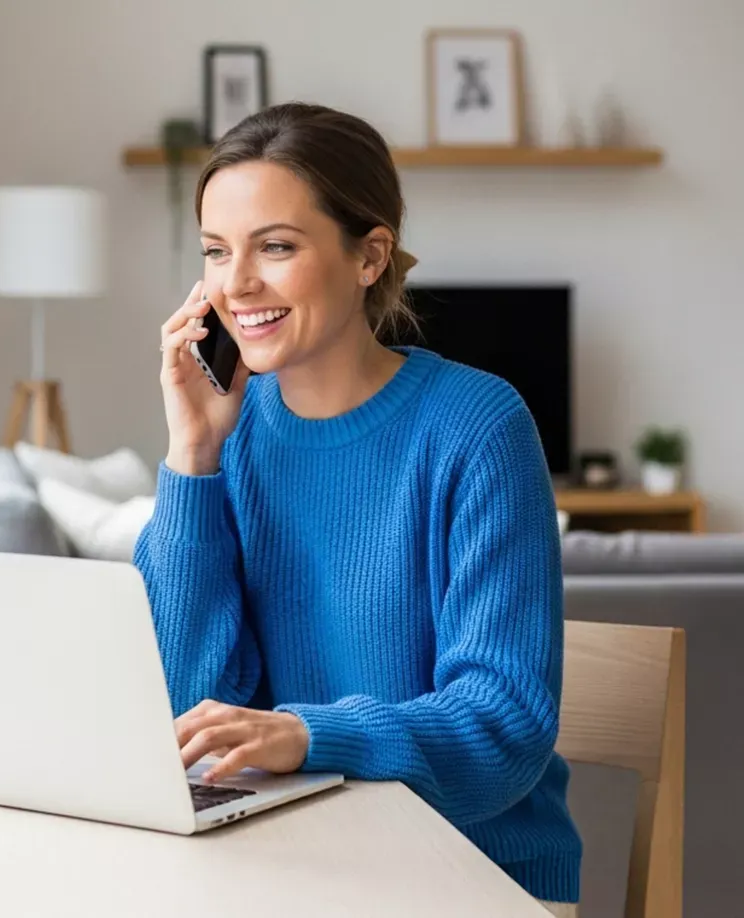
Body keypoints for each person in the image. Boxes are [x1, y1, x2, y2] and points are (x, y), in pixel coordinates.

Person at [134, 102, 582, 917]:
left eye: (275, 246)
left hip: (470, 875)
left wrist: (310, 735)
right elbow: (179, 711)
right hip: (286, 869)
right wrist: (191, 460)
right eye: (215, 251)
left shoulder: (477, 428)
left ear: (370, 255)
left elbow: (504, 722)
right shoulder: (227, 434)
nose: (236, 285)